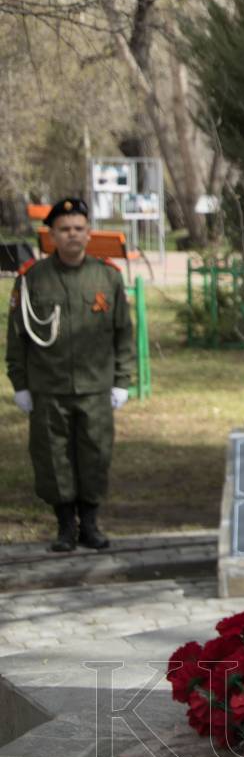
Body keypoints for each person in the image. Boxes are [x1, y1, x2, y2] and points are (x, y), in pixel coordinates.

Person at [5, 197, 134, 553]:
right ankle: (65, 526)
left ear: (89, 233)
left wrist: (122, 381)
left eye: (79, 228)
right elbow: (17, 337)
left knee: (95, 454)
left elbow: (123, 333)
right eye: (64, 229)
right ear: (51, 235)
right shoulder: (32, 278)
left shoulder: (107, 276)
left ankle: (90, 524)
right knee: (52, 457)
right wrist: (20, 385)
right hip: (48, 387)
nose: (72, 235)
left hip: (95, 386)